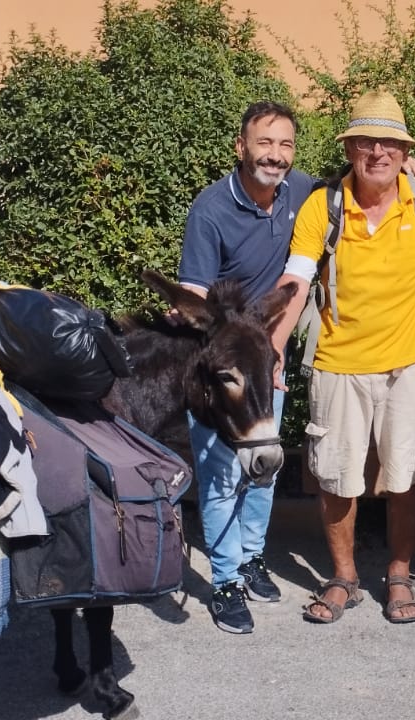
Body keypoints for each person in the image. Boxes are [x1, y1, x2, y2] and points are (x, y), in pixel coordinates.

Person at [268, 89, 415, 625]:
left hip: (410, 365)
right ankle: (344, 578)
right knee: (335, 476)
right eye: (365, 142)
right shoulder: (322, 205)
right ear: (350, 148)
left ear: (405, 153)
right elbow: (296, 280)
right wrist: (274, 345)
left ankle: (399, 575)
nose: (377, 152)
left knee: (407, 474)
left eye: (388, 143)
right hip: (336, 362)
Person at [177, 101, 312, 634]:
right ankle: (226, 580)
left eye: (285, 145)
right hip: (223, 368)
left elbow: (362, 173)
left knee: (265, 468)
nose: (275, 156)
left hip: (267, 361)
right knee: (219, 476)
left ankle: (252, 556)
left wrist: (414, 170)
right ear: (241, 147)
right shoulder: (210, 210)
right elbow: (194, 294)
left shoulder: (301, 191)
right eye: (264, 143)